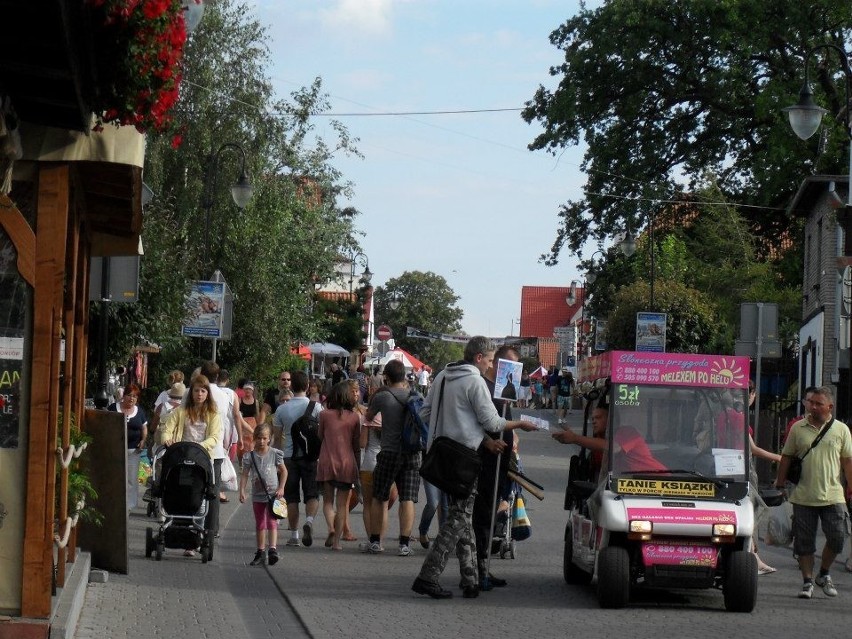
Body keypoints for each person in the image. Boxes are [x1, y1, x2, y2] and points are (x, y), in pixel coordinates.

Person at [412, 336, 537, 600]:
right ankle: (428, 575)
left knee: (464, 514)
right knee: (458, 518)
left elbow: (424, 413)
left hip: (442, 453)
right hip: (464, 457)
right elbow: (492, 421)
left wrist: (448, 429)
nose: (491, 366)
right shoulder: (475, 381)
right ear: (479, 358)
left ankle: (471, 578)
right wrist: (518, 426)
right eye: (490, 360)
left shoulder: (444, 376)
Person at [774, 385, 852, 599]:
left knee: (838, 538)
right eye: (810, 403)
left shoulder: (841, 430)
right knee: (804, 542)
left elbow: (847, 461)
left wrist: (851, 488)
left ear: (830, 406)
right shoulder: (798, 428)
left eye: (818, 403)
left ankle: (824, 573)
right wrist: (780, 484)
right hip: (803, 495)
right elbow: (787, 456)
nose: (813, 407)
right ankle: (807, 581)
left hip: (833, 495)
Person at [474, 343, 521, 591]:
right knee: (482, 516)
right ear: (501, 364)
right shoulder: (484, 387)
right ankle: (477, 570)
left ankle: (484, 566)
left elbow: (504, 421)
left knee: (491, 514)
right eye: (511, 364)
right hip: (485, 461)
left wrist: (514, 436)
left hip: (501, 461)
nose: (515, 370)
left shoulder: (505, 391)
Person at [159, 374, 223, 556]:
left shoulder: (212, 414)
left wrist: (199, 447)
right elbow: (168, 428)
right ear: (191, 392)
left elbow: (215, 437)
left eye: (203, 391)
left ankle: (195, 539)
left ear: (207, 394)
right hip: (180, 457)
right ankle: (172, 529)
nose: (199, 394)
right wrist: (166, 439)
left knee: (200, 499)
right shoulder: (181, 411)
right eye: (196, 390)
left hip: (201, 460)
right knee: (176, 492)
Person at [365, 359, 421, 557]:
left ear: (386, 377)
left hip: (388, 451)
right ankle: (404, 544)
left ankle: (375, 541)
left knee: (379, 496)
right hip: (413, 453)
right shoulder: (415, 396)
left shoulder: (383, 396)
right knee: (408, 499)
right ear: (404, 376)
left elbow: (369, 417)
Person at [274, 370, 323, 548]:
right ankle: (309, 521)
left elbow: (277, 438)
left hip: (288, 458)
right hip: (310, 457)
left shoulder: (281, 409)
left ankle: (294, 535)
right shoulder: (316, 407)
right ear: (308, 386)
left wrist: (277, 460)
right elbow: (321, 434)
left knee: (291, 497)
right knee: (312, 494)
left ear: (291, 386)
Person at [316, 382, 361, 551]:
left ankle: (331, 529)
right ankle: (337, 543)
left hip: (327, 461)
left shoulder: (324, 415)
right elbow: (356, 444)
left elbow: (320, 436)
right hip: (347, 463)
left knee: (327, 501)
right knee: (342, 505)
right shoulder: (355, 417)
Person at [239, 423, 287, 566]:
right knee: (260, 522)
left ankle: (272, 549)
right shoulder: (250, 456)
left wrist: (281, 487)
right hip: (258, 494)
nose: (261, 441)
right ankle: (260, 551)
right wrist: (242, 490)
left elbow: (284, 471)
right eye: (258, 438)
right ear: (255, 438)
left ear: (269, 439)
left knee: (272, 521)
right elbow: (245, 474)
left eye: (264, 438)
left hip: (273, 494)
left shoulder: (274, 454)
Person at [108, 383, 147, 511]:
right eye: (129, 395)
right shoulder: (113, 408)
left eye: (135, 397)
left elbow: (144, 428)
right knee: (114, 475)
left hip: (132, 449)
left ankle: (129, 507)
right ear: (123, 396)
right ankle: (113, 502)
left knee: (131, 478)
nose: (132, 399)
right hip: (115, 448)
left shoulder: (139, 411)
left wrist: (143, 440)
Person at [238, 382, 266, 462]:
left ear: (252, 391)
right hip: (243, 423)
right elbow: (238, 414)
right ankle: (240, 462)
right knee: (242, 445)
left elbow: (257, 414)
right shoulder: (240, 400)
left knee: (252, 444)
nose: (248, 391)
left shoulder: (256, 402)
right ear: (243, 390)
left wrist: (259, 426)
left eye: (249, 389)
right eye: (246, 389)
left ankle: (251, 461)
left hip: (253, 423)